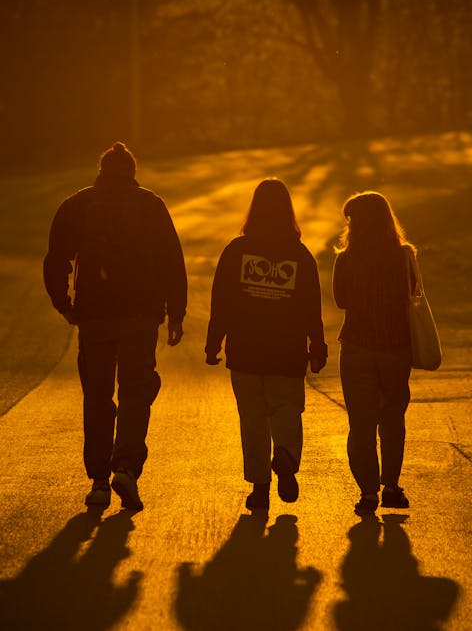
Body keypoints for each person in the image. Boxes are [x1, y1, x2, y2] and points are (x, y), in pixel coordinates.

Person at [44, 141, 187, 511]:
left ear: (101, 171)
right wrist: (176, 314)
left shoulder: (77, 206)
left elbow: (56, 258)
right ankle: (126, 468)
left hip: (94, 318)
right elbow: (172, 261)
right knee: (136, 394)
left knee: (97, 397)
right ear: (133, 173)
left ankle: (97, 480)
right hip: (140, 318)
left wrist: (66, 305)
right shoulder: (151, 206)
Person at [205, 178, 328, 511]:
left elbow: (222, 302)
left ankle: (260, 487)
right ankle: (286, 454)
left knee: (253, 418)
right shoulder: (299, 256)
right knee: (286, 408)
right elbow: (310, 306)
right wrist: (317, 346)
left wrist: (213, 343)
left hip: (245, 351)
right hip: (286, 351)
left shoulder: (236, 251)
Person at [332, 191, 418, 515]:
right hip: (395, 347)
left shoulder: (346, 258)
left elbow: (341, 300)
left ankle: (368, 493)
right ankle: (392, 488)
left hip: (356, 346)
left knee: (361, 424)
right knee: (392, 418)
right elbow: (413, 295)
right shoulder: (404, 255)